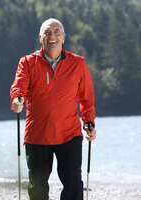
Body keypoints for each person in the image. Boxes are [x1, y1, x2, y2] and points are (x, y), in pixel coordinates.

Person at [10, 18, 97, 200]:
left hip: (69, 134)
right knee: (37, 187)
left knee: (73, 184)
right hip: (37, 134)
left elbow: (86, 97)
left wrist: (89, 122)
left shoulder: (77, 63)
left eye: (57, 32)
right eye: (47, 33)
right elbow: (19, 87)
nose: (52, 36)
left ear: (63, 37)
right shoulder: (27, 62)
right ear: (40, 37)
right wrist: (18, 100)